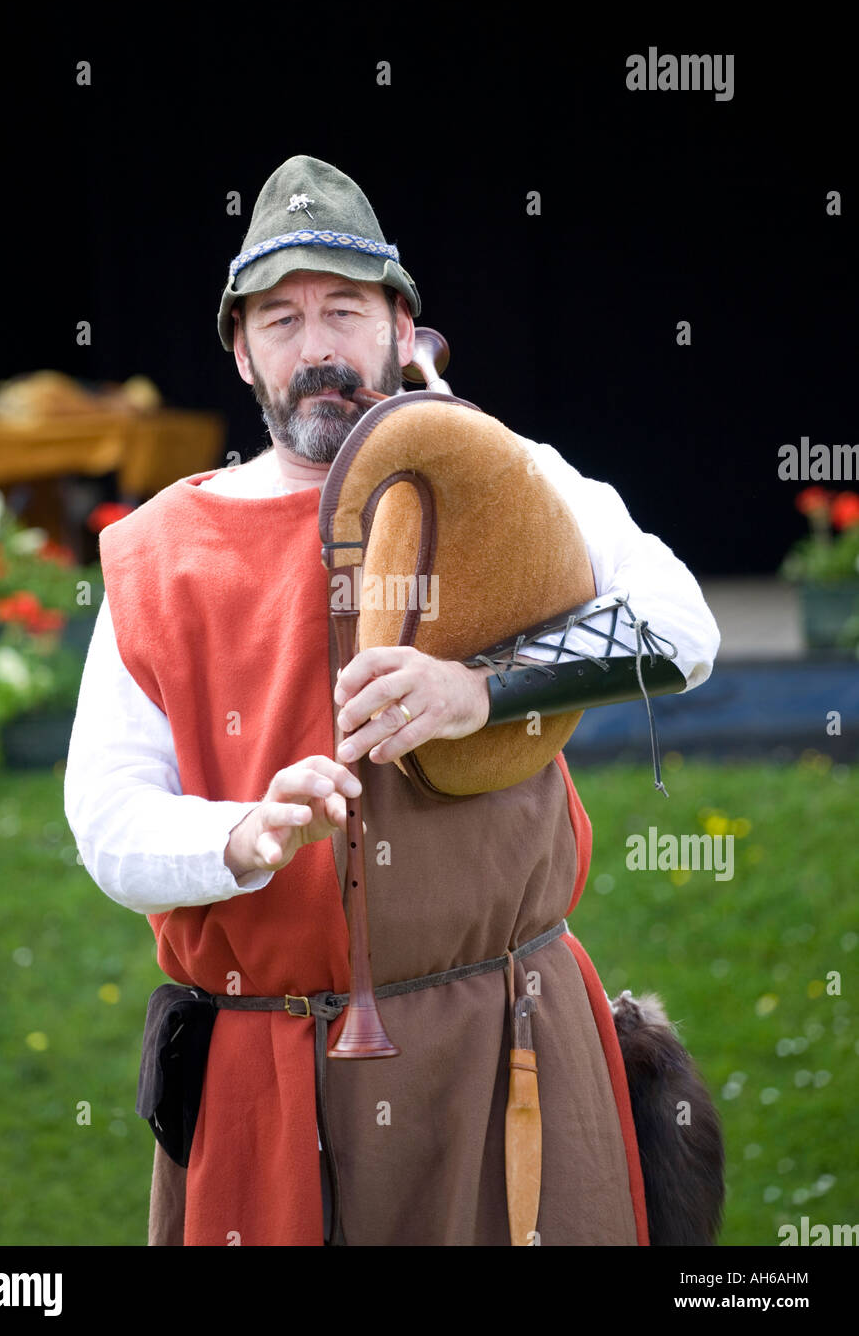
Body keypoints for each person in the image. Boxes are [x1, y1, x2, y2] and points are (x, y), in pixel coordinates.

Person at [64, 154, 721, 1247]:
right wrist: (242, 832)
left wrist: (482, 689)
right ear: (240, 350)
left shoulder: (506, 478)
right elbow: (108, 814)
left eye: (343, 308)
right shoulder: (160, 555)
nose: (315, 345)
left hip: (500, 1054)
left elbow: (681, 626)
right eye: (280, 318)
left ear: (399, 324)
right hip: (263, 1081)